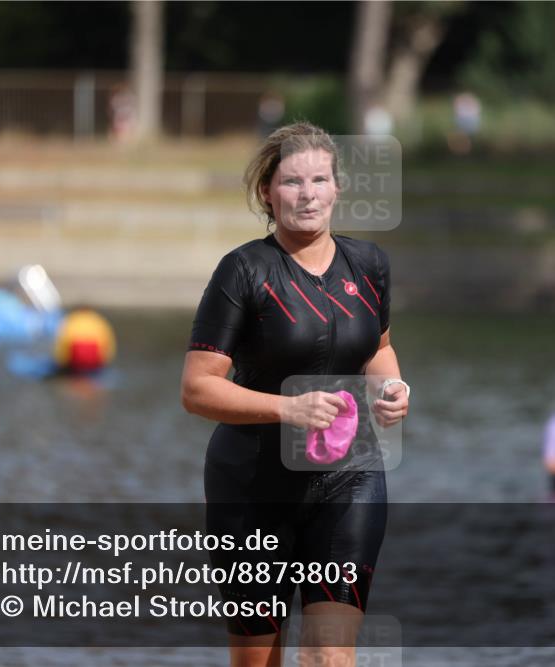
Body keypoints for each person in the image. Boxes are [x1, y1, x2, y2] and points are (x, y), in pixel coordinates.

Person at [180, 122, 408, 667]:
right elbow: (196, 388)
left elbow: (377, 348)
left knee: (329, 656)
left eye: (319, 180)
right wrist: (289, 408)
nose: (307, 194)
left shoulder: (369, 265)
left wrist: (394, 388)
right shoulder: (243, 270)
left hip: (348, 476)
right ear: (267, 192)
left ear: (337, 188)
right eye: (292, 182)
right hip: (253, 484)